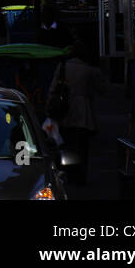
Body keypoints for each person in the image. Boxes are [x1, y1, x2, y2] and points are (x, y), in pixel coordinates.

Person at [48, 43, 107, 186]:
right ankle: (80, 174)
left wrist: (49, 108)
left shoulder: (63, 67)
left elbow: (53, 89)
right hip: (83, 111)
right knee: (82, 146)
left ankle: (69, 172)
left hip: (65, 110)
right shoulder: (89, 70)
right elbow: (102, 89)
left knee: (67, 143)